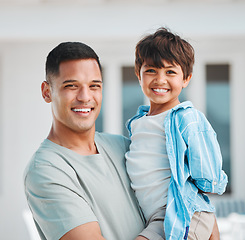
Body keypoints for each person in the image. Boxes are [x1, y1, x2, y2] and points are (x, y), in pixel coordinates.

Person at [23, 42, 160, 240]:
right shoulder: (45, 171)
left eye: (94, 86)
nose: (85, 97)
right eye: (71, 86)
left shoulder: (123, 147)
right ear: (47, 92)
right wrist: (164, 227)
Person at [125, 28, 228, 240]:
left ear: (186, 78)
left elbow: (208, 176)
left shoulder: (186, 119)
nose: (160, 80)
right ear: (138, 74)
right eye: (151, 70)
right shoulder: (137, 123)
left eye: (170, 72)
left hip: (181, 214)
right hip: (154, 217)